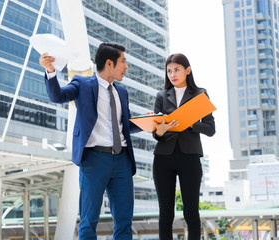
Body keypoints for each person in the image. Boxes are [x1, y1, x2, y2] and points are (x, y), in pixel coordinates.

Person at [39, 42, 142, 239]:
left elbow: (125, 125)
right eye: (123, 62)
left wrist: (150, 122)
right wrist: (50, 71)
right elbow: (57, 95)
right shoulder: (82, 84)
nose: (126, 67)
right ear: (109, 63)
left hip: (122, 161)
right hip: (94, 160)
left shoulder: (122, 92)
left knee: (124, 220)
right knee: (88, 220)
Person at [152, 53, 215, 240]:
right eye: (169, 71)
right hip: (163, 157)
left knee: (191, 212)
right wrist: (159, 130)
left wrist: (190, 123)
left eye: (176, 70)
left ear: (187, 70)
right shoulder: (161, 96)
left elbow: (211, 129)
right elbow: (155, 134)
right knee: (165, 213)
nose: (172, 74)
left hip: (190, 157)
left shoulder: (200, 94)